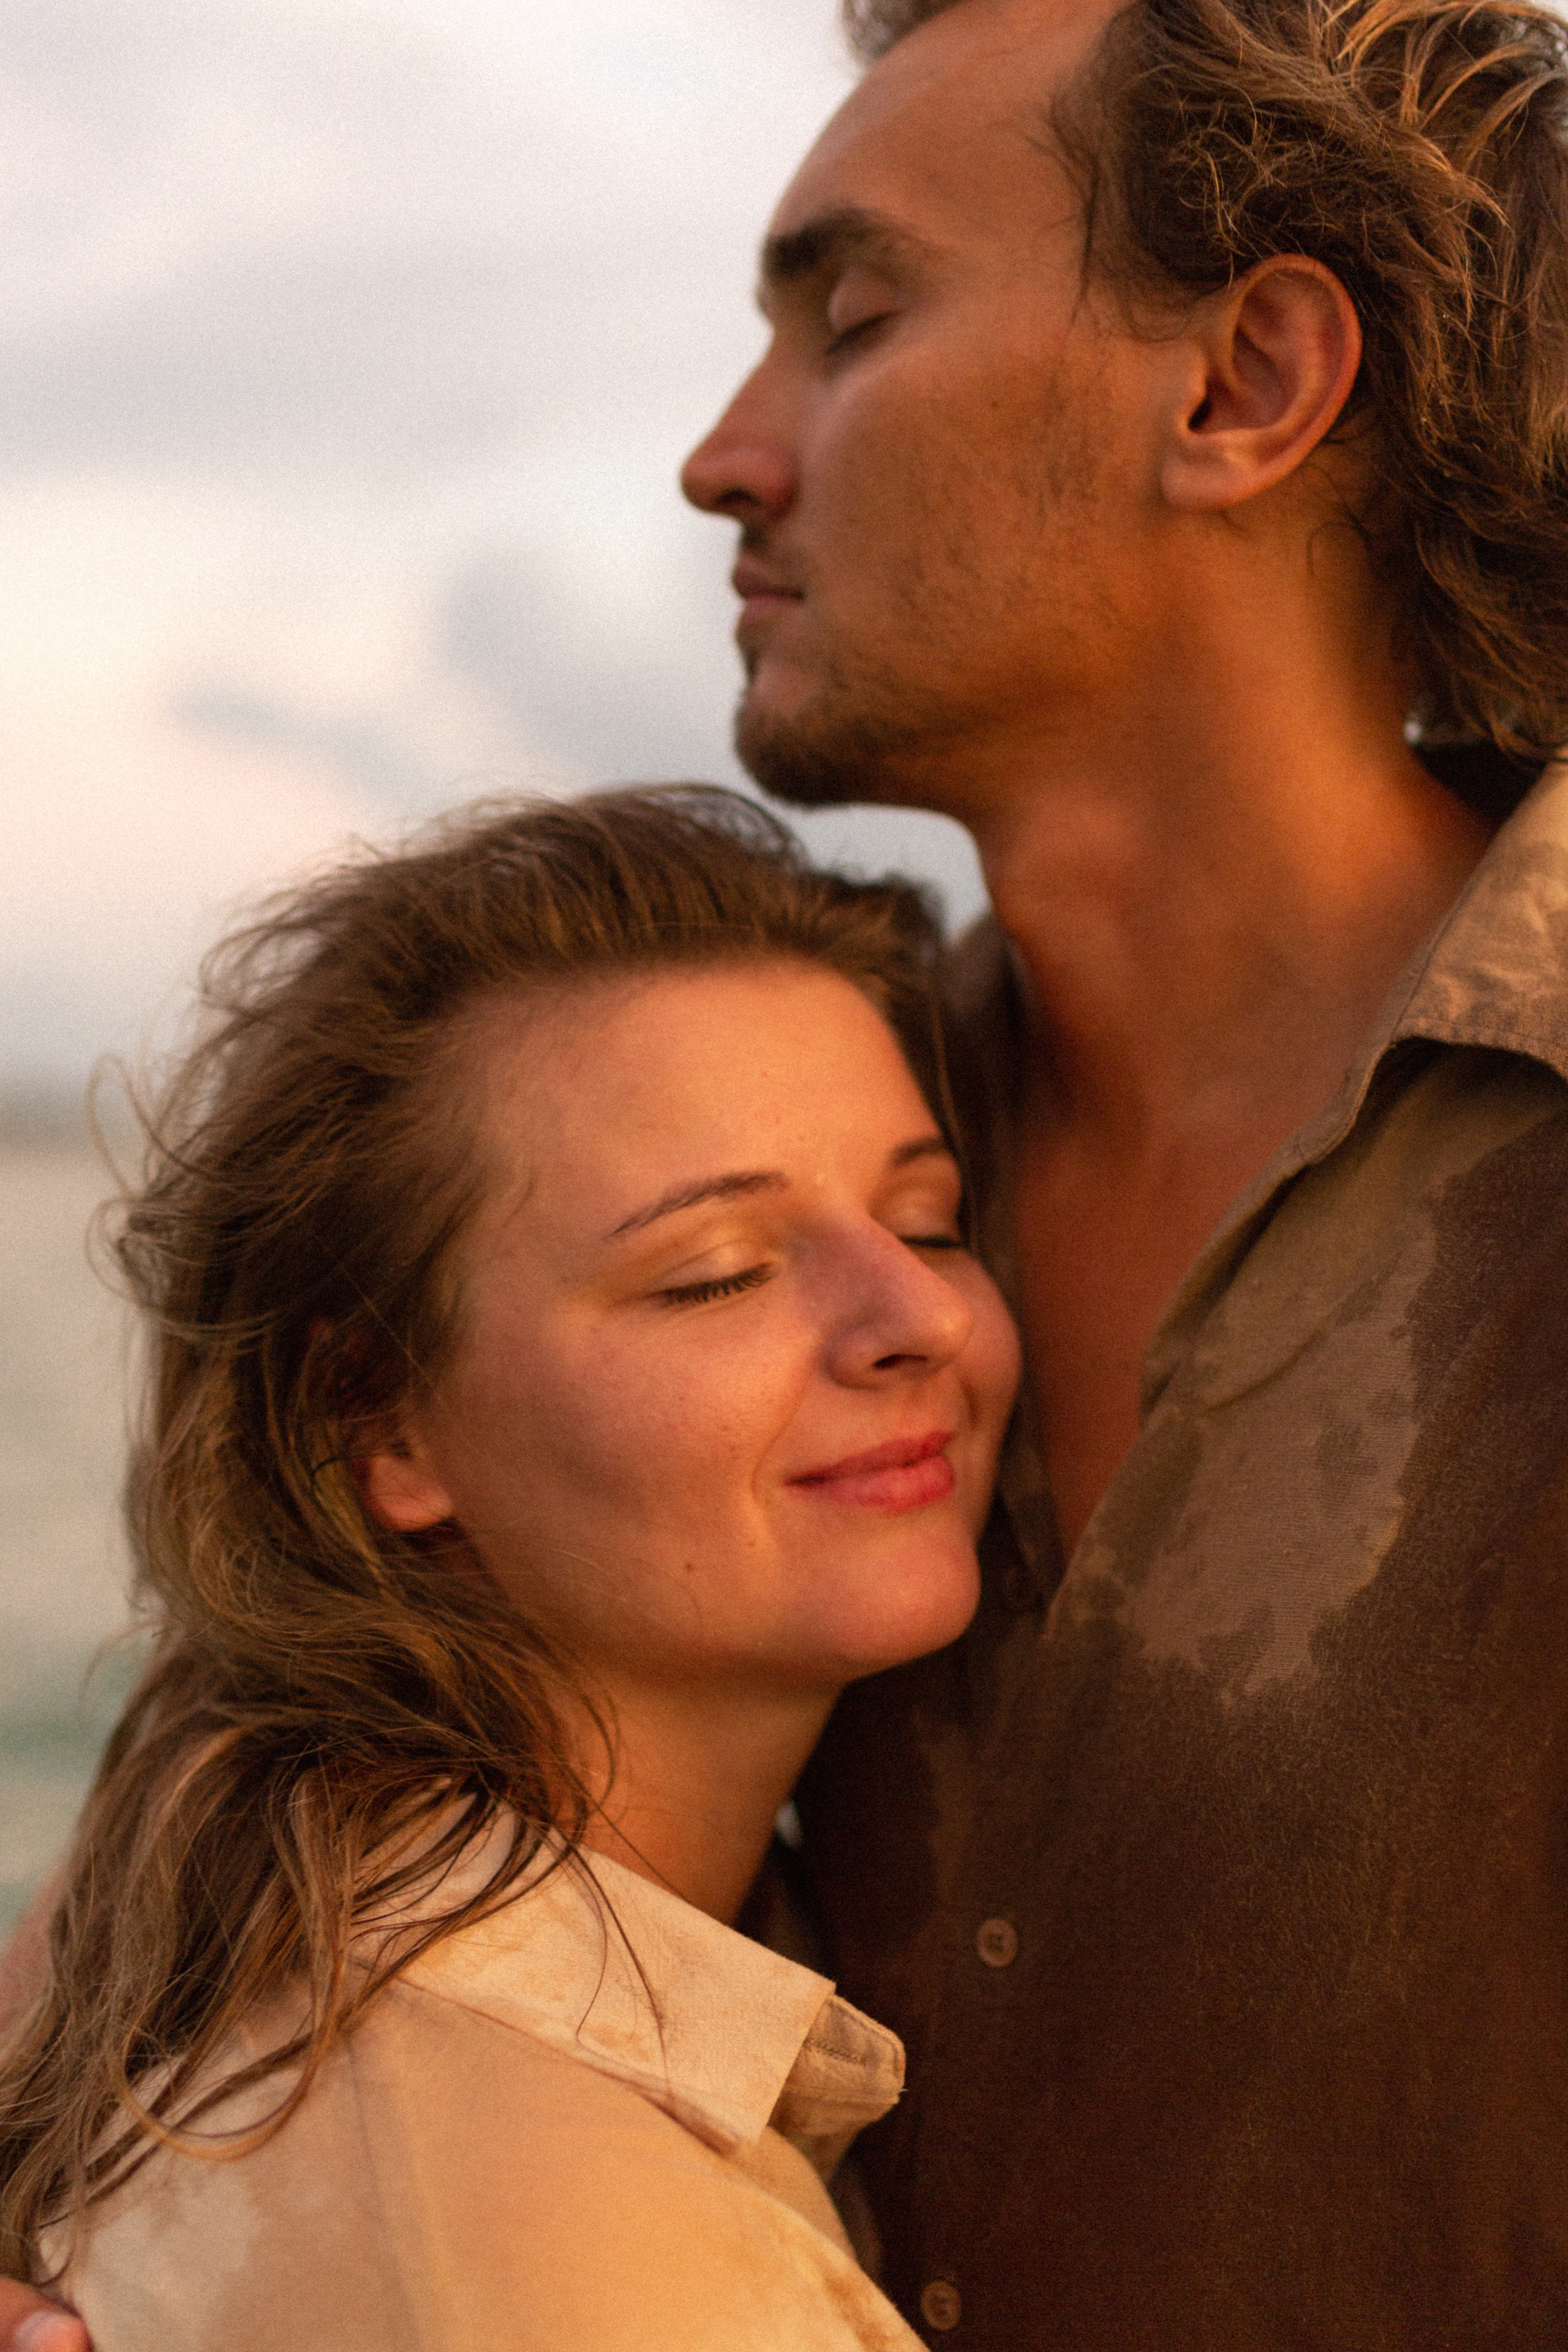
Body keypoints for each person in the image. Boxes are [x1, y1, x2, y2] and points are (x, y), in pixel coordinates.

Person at [7, 0, 1568, 2339]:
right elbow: (217, 1858)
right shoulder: (742, 1136)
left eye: (855, 320)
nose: (723, 460)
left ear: (1246, 383)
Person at [0, 786, 1019, 2348]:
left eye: (929, 1221)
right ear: (380, 1421)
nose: (921, 1314)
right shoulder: (565, 2249)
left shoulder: (241, 1884)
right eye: (715, 1274)